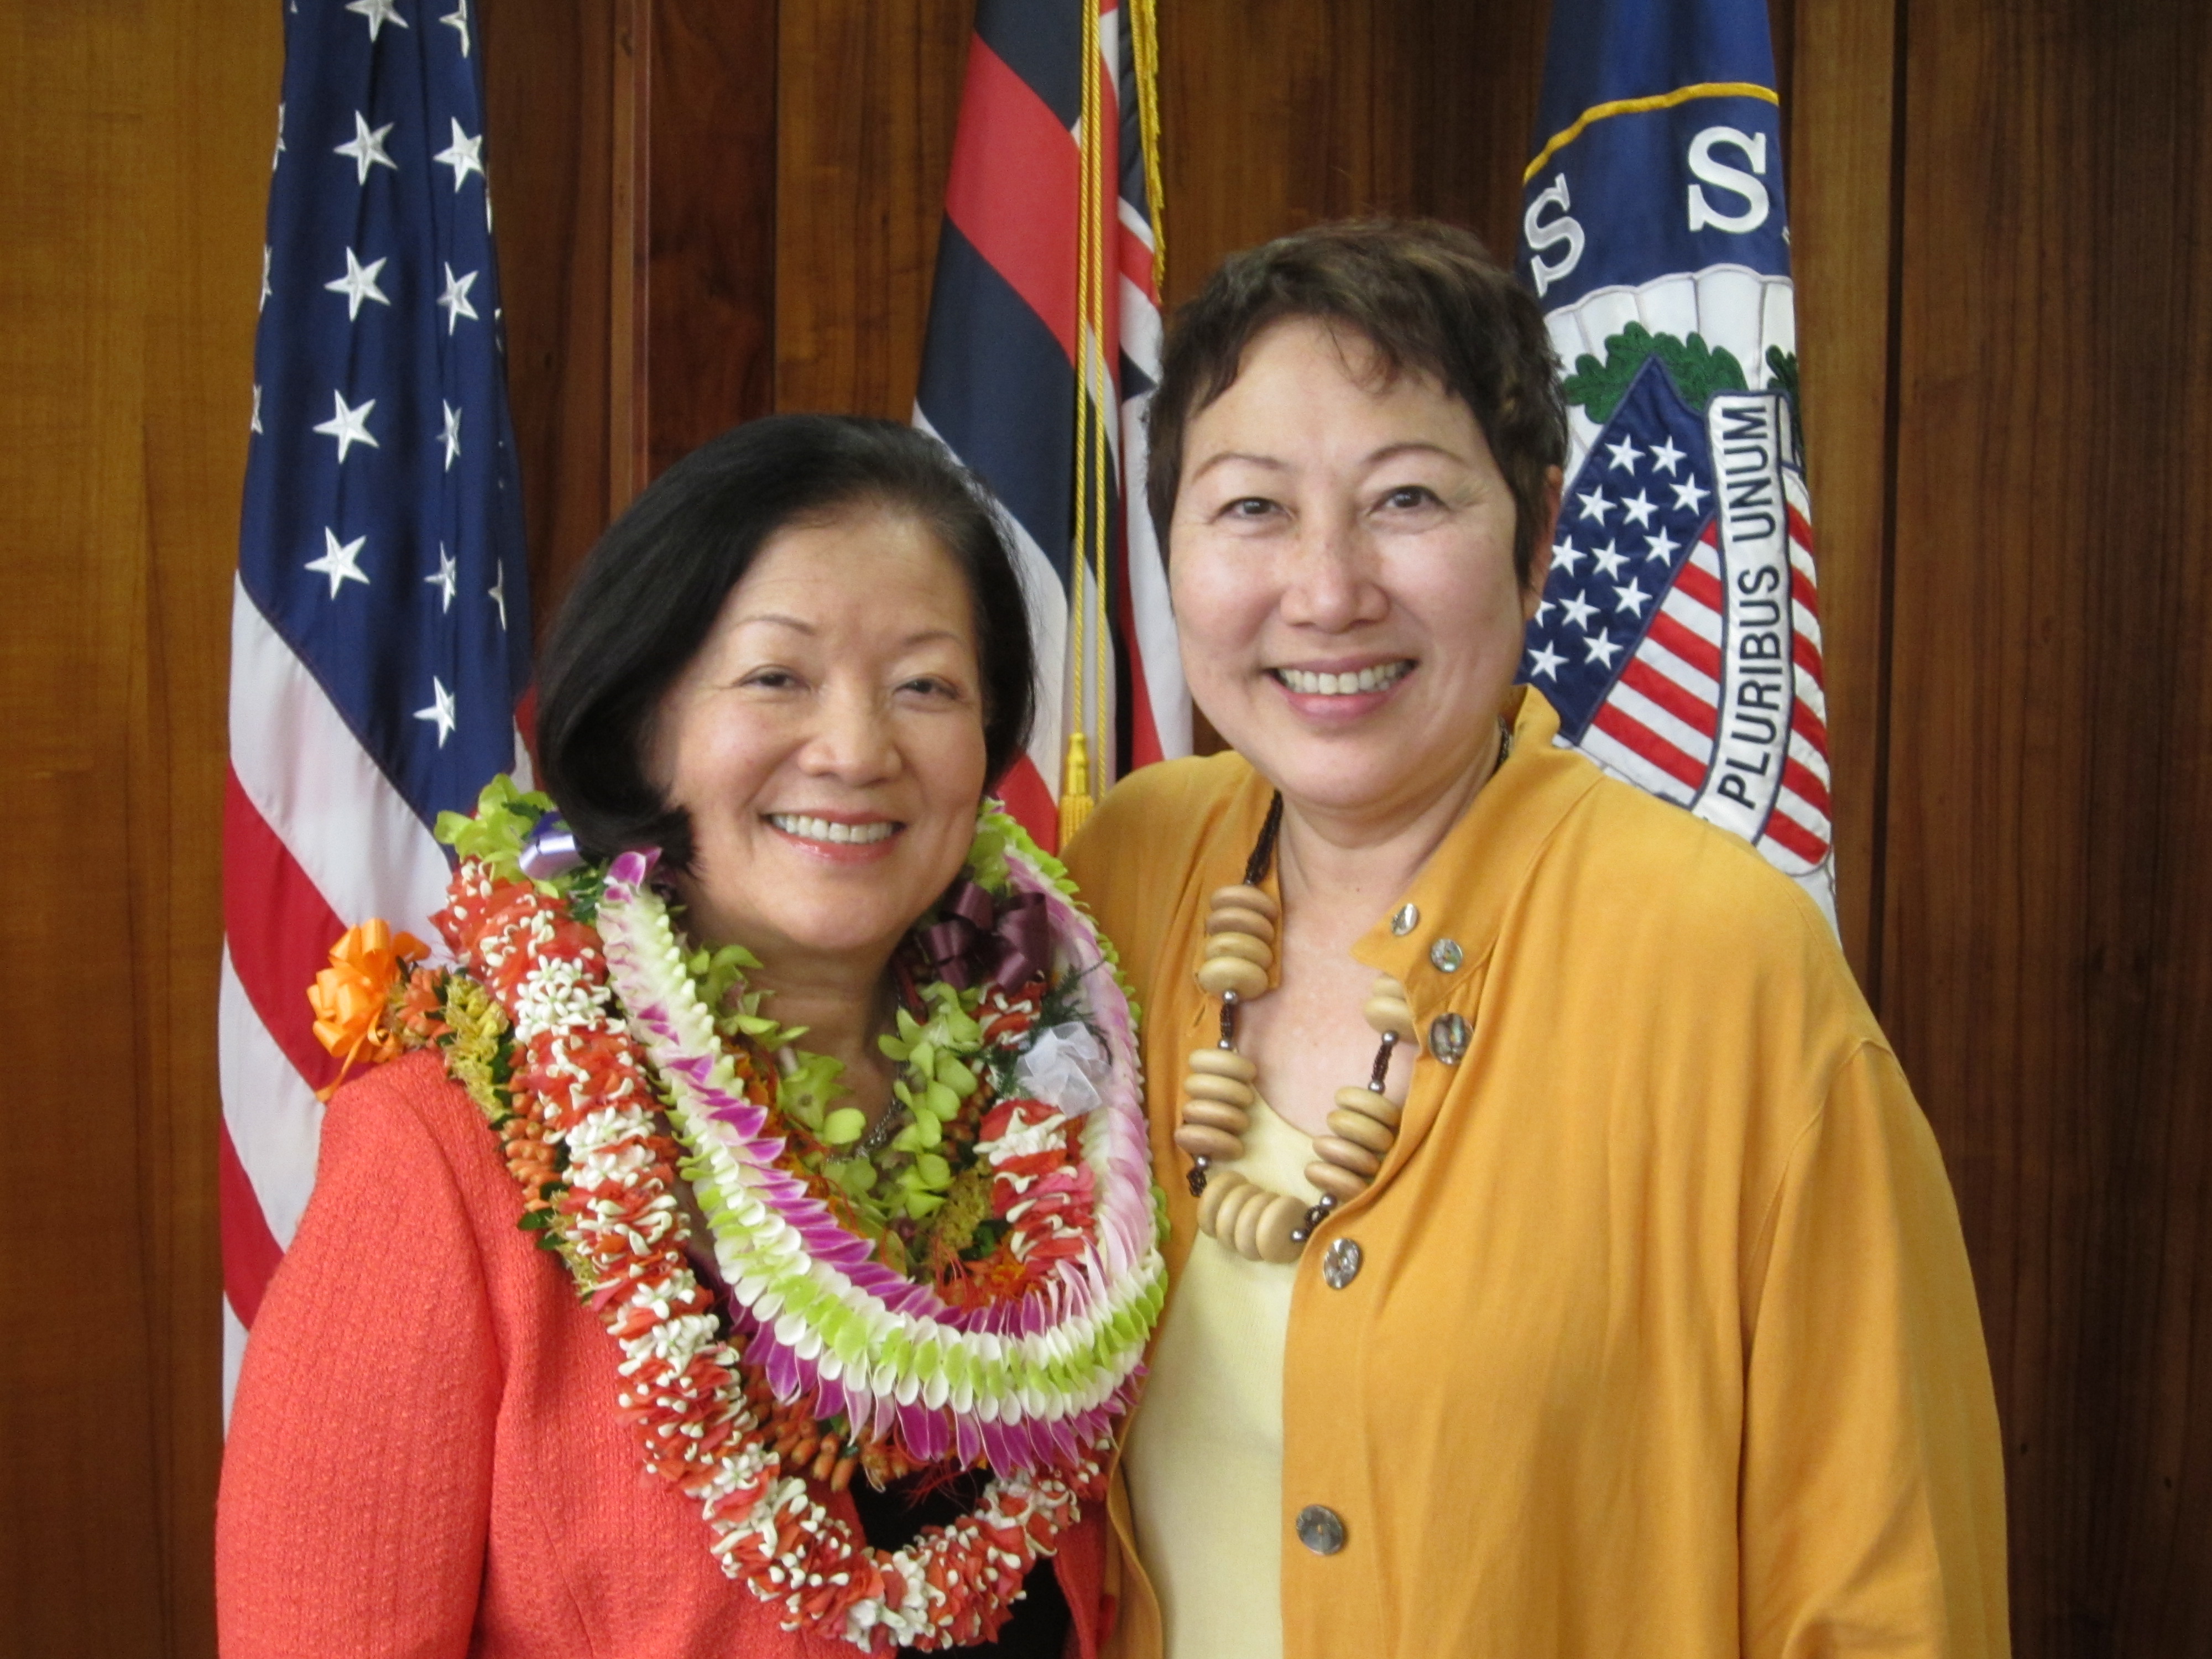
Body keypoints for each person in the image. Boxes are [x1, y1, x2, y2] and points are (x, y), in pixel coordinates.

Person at [1063, 222, 2010, 1658]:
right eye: (1252, 509)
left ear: (1542, 528)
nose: (1327, 590)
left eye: (1408, 501)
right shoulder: (1123, 875)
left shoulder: (1720, 959)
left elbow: (1885, 1584)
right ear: (1174, 547)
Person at [218, 415, 1165, 1658]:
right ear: (647, 721)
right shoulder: (445, 1150)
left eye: (925, 686)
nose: (855, 749)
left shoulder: (1072, 1108)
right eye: (776, 677)